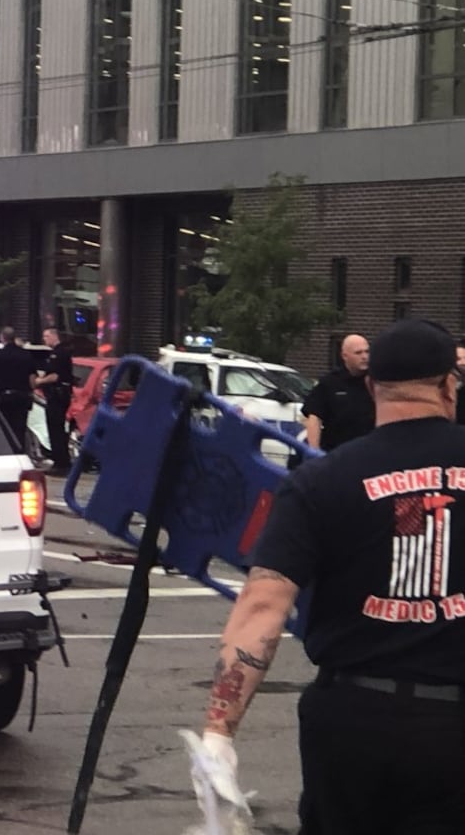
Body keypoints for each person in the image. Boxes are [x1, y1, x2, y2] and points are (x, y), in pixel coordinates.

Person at [188, 318, 465, 835]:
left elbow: (263, 607)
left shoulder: (321, 479)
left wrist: (217, 734)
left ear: (370, 387)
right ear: (449, 385)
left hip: (351, 720)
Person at [302, 333, 374, 451]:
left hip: (369, 452)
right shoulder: (330, 383)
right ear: (344, 356)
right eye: (358, 353)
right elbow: (314, 417)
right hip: (337, 451)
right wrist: (314, 452)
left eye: (367, 352)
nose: (364, 357)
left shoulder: (377, 382)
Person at [35, 326, 75, 474]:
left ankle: (61, 463)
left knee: (55, 429)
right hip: (59, 395)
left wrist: (39, 381)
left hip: (57, 395)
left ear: (54, 336)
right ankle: (62, 461)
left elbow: (55, 376)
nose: (44, 339)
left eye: (46, 336)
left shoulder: (59, 353)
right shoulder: (59, 352)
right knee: (56, 429)